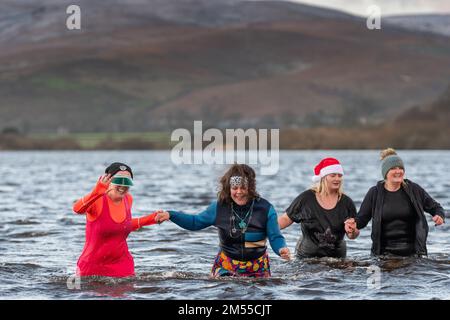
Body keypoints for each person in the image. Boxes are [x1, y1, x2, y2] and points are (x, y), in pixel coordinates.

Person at [155, 164, 290, 278]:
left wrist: (281, 249)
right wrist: (171, 215)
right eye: (234, 188)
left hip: (258, 267)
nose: (239, 192)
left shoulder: (265, 209)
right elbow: (195, 222)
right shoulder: (219, 207)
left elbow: (275, 236)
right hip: (226, 266)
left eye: (243, 188)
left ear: (251, 188)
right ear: (228, 188)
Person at [345, 148, 445, 257]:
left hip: (413, 253)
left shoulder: (414, 190)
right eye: (393, 168)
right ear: (386, 172)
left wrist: (439, 215)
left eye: (400, 168)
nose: (398, 171)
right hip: (383, 254)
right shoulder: (375, 193)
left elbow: (435, 207)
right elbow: (362, 219)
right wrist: (353, 223)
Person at [73, 162, 158, 277]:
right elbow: (77, 209)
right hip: (92, 267)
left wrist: (152, 218)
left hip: (122, 266)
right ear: (108, 181)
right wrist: (96, 192)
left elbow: (121, 225)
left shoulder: (128, 199)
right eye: (118, 180)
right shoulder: (97, 200)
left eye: (127, 181)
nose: (123, 186)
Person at [277, 158, 358, 258]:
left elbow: (352, 235)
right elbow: (286, 218)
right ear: (323, 177)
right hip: (306, 259)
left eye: (340, 175)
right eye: (333, 175)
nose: (337, 179)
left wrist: (353, 231)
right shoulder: (306, 199)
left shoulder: (347, 202)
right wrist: (265, 229)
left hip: (337, 259)